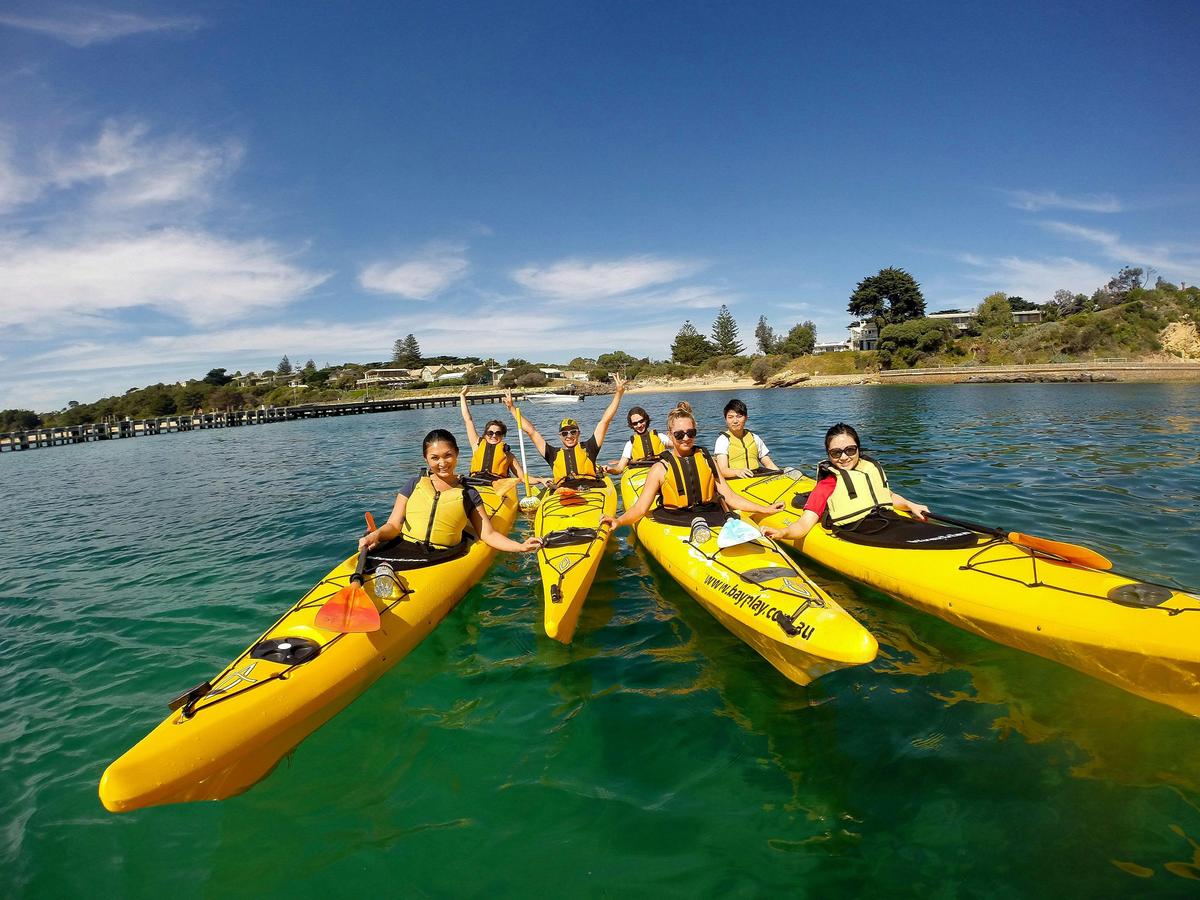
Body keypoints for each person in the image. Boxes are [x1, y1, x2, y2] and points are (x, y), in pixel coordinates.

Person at [602, 400, 784, 531]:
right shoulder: (660, 469)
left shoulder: (706, 459)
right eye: (679, 434)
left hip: (711, 514)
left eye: (691, 432)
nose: (686, 438)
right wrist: (619, 521)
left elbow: (730, 496)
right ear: (670, 435)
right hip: (675, 519)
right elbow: (640, 508)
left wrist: (763, 508)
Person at [359, 429, 541, 558]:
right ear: (426, 459)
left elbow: (488, 534)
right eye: (435, 458)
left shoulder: (469, 494)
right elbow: (393, 525)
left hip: (444, 556)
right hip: (405, 548)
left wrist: (520, 546)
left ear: (457, 454)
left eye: (448, 455)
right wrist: (376, 536)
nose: (442, 463)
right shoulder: (413, 485)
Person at [762, 423, 931, 544]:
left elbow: (887, 496)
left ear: (858, 448)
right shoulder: (827, 485)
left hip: (886, 520)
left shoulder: (868, 469)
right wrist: (782, 532)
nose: (844, 457)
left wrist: (910, 505)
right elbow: (804, 524)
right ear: (828, 455)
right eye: (836, 453)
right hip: (859, 531)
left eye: (850, 450)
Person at [503, 374, 627, 486]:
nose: (569, 435)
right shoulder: (552, 454)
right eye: (565, 433)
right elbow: (531, 432)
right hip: (563, 492)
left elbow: (605, 421)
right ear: (560, 436)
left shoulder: (590, 447)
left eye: (573, 432)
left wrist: (618, 394)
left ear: (579, 434)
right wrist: (512, 408)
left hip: (591, 488)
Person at [459, 386, 544, 485]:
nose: (494, 436)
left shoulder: (509, 456)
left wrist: (541, 480)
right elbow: (468, 420)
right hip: (476, 485)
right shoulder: (477, 444)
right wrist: (462, 396)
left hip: (498, 487)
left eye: (498, 433)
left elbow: (523, 478)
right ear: (485, 435)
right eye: (490, 433)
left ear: (502, 435)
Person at [713, 398, 780, 479]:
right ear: (725, 420)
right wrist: (737, 472)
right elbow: (722, 470)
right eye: (730, 417)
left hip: (756, 478)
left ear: (746, 418)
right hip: (735, 481)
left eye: (739, 416)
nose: (735, 421)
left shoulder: (755, 438)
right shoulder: (723, 440)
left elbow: (769, 464)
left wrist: (781, 474)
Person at [604, 405, 673, 474]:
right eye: (635, 423)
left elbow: (677, 446)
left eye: (641, 421)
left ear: (646, 419)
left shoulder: (660, 437)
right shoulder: (630, 444)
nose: (639, 425)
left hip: (661, 471)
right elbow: (620, 469)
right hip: (640, 475)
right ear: (631, 425)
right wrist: (610, 469)